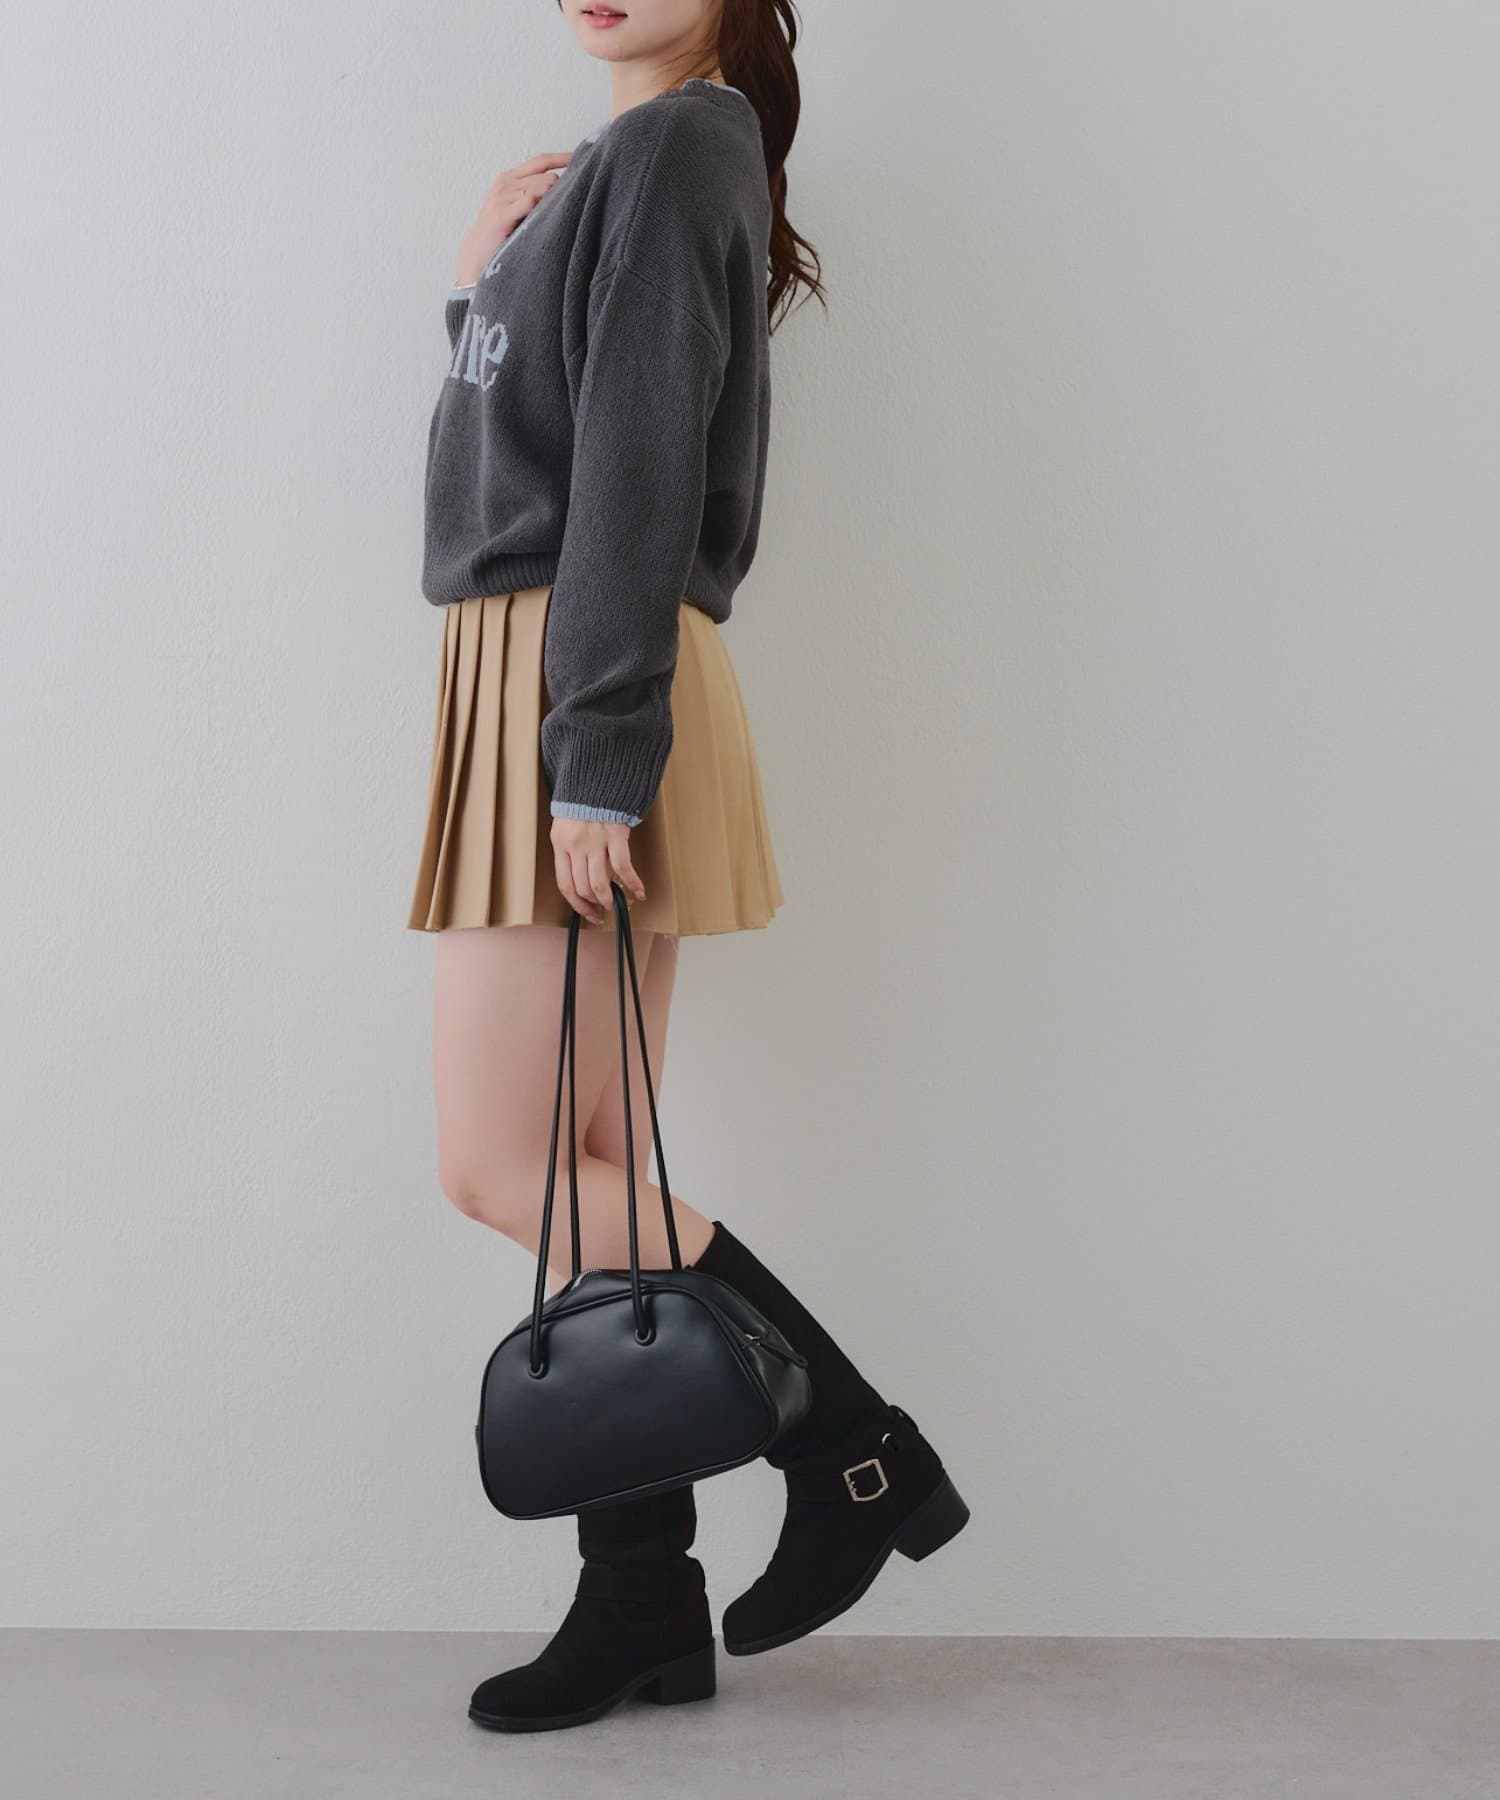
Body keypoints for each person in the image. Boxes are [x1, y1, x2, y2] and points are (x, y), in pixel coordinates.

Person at [407, 0, 966, 1733]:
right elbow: (535, 442)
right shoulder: (649, 156)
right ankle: (643, 1596)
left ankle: (855, 1445)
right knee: (584, 1171)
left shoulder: (670, 149)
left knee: (501, 1168)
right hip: (567, 667)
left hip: (580, 674)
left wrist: (595, 754)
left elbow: (637, 469)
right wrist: (479, 290)